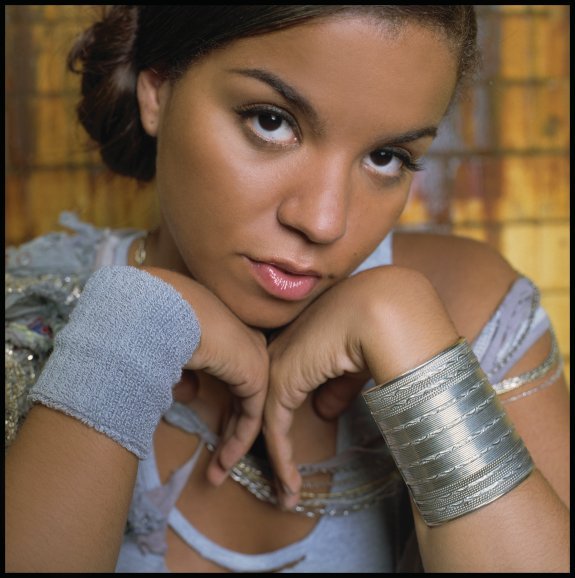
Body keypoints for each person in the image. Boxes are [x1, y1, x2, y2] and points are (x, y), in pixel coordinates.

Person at [4, 6, 570, 573]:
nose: (323, 222)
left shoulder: (466, 314)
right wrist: (133, 325)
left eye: (385, 157)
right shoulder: (29, 313)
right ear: (157, 90)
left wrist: (404, 332)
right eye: (271, 122)